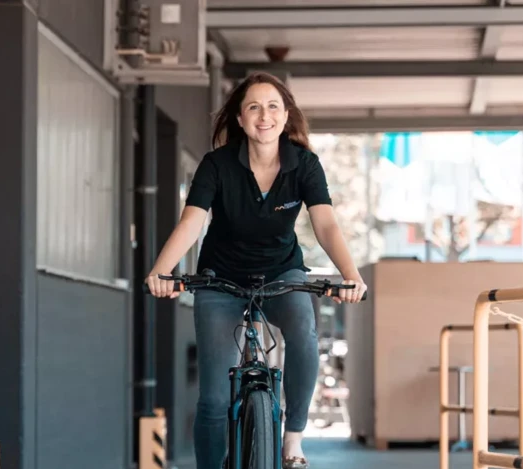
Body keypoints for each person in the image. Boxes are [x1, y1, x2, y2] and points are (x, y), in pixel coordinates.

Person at [144, 72, 367, 469]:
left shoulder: (304, 165)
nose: (264, 116)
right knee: (213, 399)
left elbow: (326, 224)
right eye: (253, 107)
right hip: (220, 278)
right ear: (241, 120)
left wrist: (351, 275)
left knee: (304, 332)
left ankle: (293, 439)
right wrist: (163, 271)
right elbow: (193, 221)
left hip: (282, 274)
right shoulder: (217, 165)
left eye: (273, 107)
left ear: (285, 117)